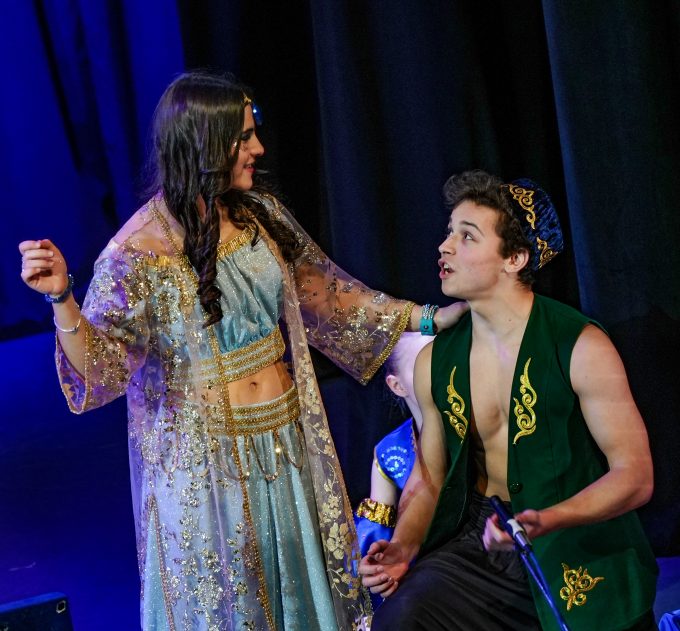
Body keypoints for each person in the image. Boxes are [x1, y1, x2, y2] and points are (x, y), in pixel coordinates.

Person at [17, 72, 466, 631]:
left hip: (284, 448)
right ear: (206, 145)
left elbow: (327, 296)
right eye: (244, 138)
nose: (259, 149)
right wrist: (62, 298)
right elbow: (100, 372)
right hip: (208, 473)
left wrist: (427, 317)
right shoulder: (134, 253)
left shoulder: (260, 215)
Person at [359, 170, 658, 630]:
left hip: (574, 540)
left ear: (514, 259)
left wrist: (548, 519)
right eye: (449, 232)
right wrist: (404, 545)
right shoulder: (436, 361)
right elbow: (430, 478)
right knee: (403, 618)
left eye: (467, 236)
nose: (444, 247)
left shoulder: (580, 346)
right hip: (485, 541)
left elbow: (635, 476)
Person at [354, 332, 430, 559]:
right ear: (397, 385)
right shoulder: (391, 451)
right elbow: (377, 534)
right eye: (424, 366)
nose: (440, 373)